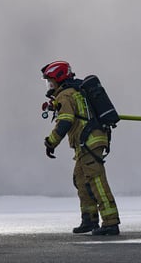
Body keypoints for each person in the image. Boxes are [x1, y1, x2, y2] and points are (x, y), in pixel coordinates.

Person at [41, 60, 120, 236]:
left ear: (59, 78)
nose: (49, 85)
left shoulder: (65, 95)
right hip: (89, 142)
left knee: (96, 180)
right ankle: (89, 219)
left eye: (51, 81)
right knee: (81, 179)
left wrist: (51, 142)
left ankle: (111, 222)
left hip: (89, 141)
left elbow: (65, 121)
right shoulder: (75, 92)